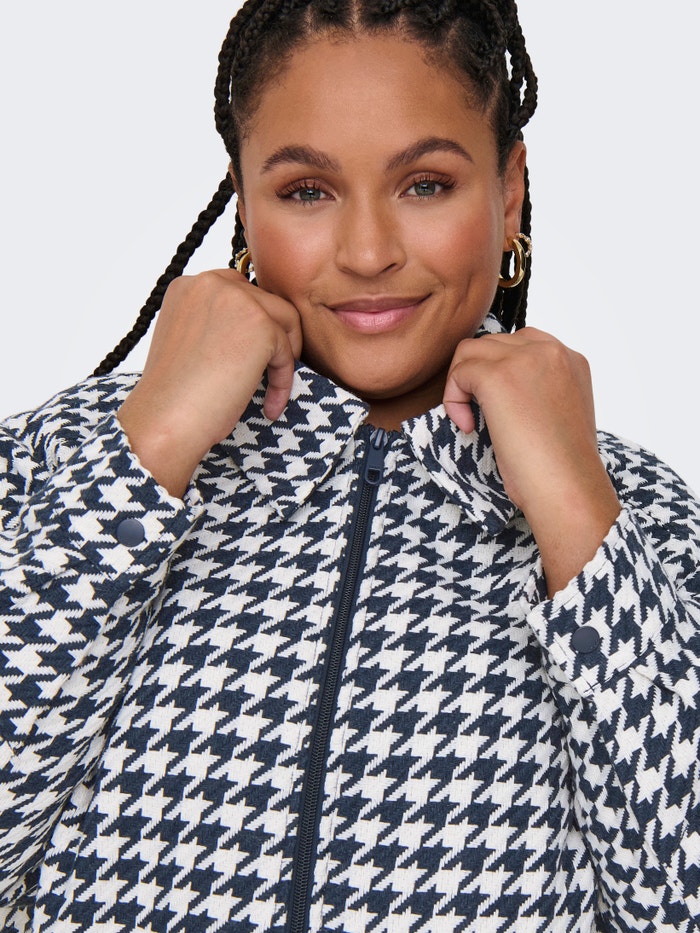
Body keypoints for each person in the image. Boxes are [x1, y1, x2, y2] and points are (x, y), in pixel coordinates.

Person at [0, 0, 698, 930]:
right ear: (244, 203)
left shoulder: (636, 515)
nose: (369, 253)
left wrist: (579, 518)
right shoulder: (67, 456)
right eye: (306, 192)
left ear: (509, 193)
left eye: (425, 184)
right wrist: (148, 449)